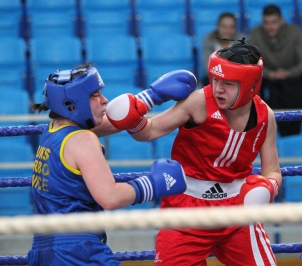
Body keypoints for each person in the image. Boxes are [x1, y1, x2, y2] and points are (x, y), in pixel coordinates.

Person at [106, 40, 282, 265]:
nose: (218, 88)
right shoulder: (198, 102)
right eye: (215, 79)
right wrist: (133, 119)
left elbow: (273, 171)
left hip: (238, 212)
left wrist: (268, 187)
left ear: (250, 84)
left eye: (228, 83)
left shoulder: (265, 116)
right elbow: (148, 132)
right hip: (186, 211)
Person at [27, 63, 197, 266]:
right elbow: (110, 197)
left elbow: (115, 121)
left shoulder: (55, 131)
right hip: (76, 249)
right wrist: (154, 183)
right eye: (95, 94)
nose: (104, 100)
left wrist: (152, 97)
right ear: (73, 104)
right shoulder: (82, 140)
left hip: (43, 248)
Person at [249, 4, 302, 137]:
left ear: (282, 21)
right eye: (266, 23)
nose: (270, 26)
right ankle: (259, 126)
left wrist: (289, 73)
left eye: (274, 22)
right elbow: (253, 62)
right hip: (268, 77)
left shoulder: (294, 31)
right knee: (253, 80)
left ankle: (294, 124)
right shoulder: (256, 33)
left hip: (292, 77)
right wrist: (270, 74)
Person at [201, 12, 245, 86]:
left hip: (236, 79)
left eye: (231, 27)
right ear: (218, 26)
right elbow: (207, 66)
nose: (228, 30)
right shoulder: (209, 40)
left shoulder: (242, 40)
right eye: (224, 27)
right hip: (214, 78)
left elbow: (244, 65)